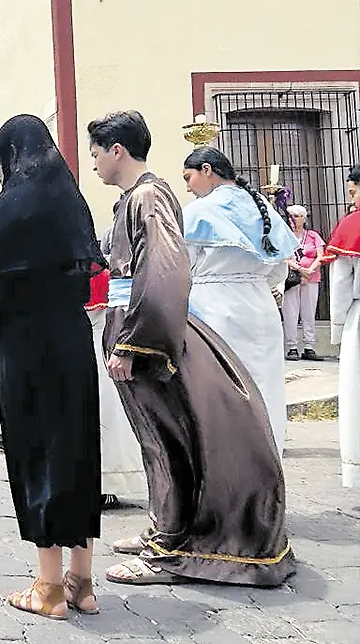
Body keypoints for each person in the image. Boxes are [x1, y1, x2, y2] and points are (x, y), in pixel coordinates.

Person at [87, 110, 294, 587]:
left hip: (147, 331)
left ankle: (169, 547)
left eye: (97, 152)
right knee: (157, 435)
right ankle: (166, 526)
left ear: (117, 150)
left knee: (169, 437)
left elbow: (163, 270)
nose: (94, 162)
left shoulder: (147, 196)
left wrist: (136, 342)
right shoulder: (139, 197)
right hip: (147, 320)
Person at [0, 115, 103, 620]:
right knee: (76, 447)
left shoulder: (9, 208)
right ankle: (82, 581)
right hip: (73, 340)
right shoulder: (73, 201)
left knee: (37, 452)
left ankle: (48, 588)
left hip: (27, 345)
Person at [182, 146, 298, 455]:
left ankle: (228, 464)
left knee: (223, 388)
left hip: (215, 306)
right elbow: (278, 270)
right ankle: (268, 457)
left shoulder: (199, 211)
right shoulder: (263, 207)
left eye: (189, 177)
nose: (187, 186)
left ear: (207, 170)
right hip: (261, 305)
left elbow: (181, 265)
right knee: (267, 385)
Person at [85, 268, 146, 509]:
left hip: (94, 345)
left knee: (103, 412)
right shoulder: (104, 275)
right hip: (104, 343)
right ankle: (105, 483)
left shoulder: (80, 273)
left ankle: (102, 483)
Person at [325, 165, 360, 487]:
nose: (351, 201)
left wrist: (338, 328)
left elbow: (341, 284)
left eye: (353, 191)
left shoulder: (353, 225)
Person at [282, 204, 328, 361]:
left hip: (311, 278)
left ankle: (309, 346)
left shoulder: (313, 235)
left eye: (296, 216)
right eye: (291, 216)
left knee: (309, 312)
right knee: (290, 313)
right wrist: (300, 269)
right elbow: (284, 257)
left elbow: (321, 255)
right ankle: (292, 347)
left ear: (303, 218)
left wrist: (310, 270)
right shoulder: (285, 236)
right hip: (291, 279)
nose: (293, 219)